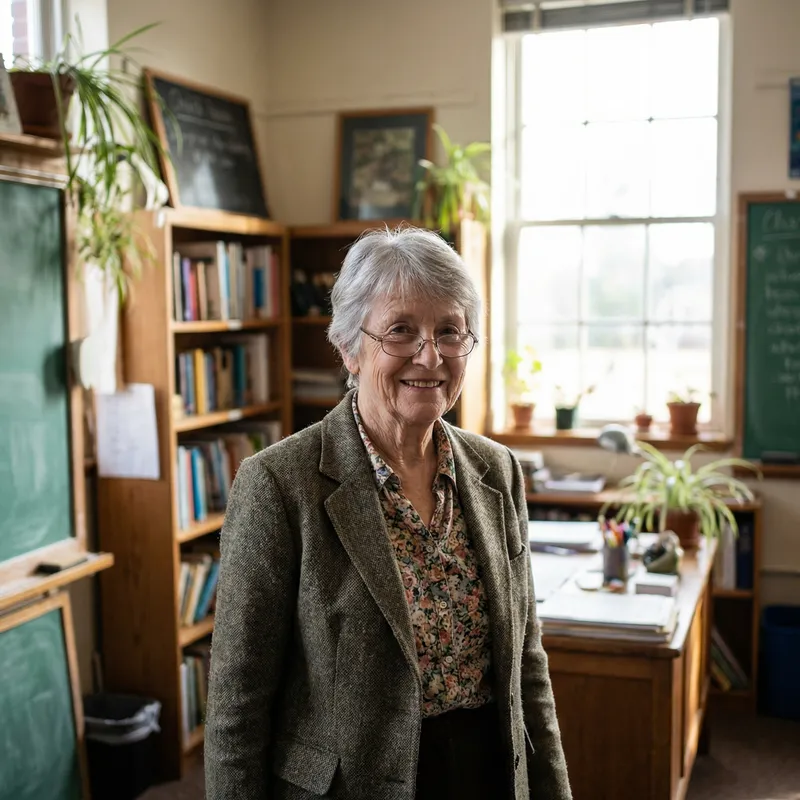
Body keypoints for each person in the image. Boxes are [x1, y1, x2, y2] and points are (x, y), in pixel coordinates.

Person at [204, 226, 571, 800]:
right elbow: (237, 705)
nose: (431, 355)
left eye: (450, 331)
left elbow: (527, 666)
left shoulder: (497, 471)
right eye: (402, 330)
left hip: (488, 773)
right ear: (350, 346)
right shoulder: (279, 484)